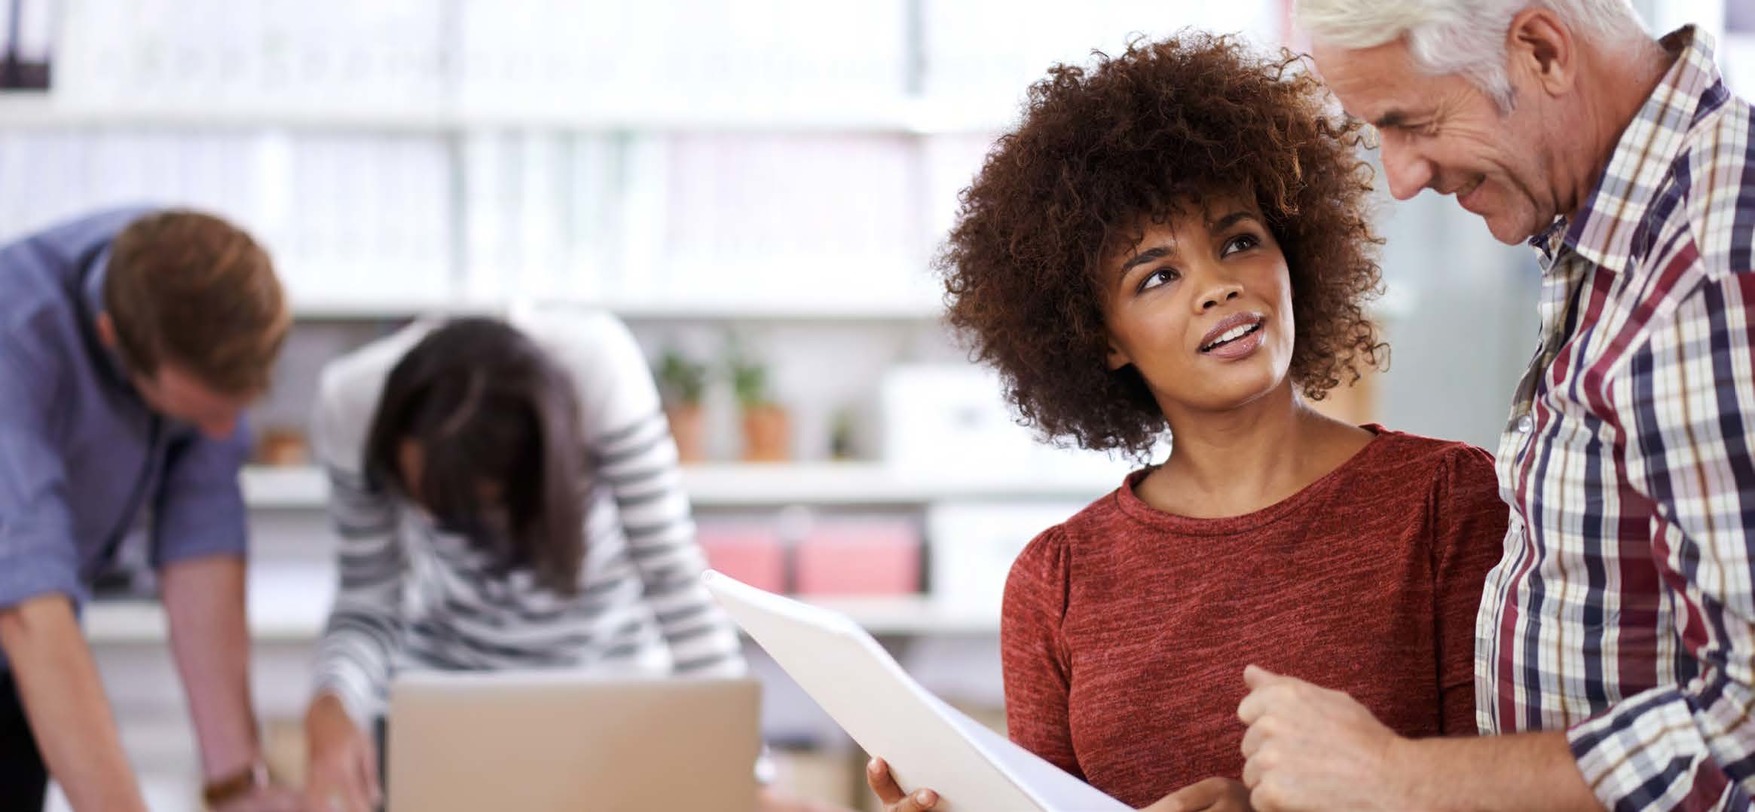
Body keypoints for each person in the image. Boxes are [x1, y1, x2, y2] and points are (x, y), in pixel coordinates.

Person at [865, 34, 1508, 812]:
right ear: (1100, 338)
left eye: (1239, 241)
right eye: (1158, 275)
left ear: (1294, 254)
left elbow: (1493, 791)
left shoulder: (1444, 500)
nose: (1218, 286)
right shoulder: (1054, 581)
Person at [1232, 1, 1755, 810]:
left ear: (1541, 52)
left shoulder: (1708, 271)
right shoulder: (1618, 238)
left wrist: (1393, 779)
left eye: (1411, 122)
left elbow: (1744, 726)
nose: (1401, 178)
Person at [301, 313, 840, 812]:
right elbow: (368, 599)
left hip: (621, 706)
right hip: (451, 715)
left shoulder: (600, 369)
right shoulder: (353, 402)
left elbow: (677, 583)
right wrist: (335, 701)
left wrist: (749, 774)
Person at [0, 208, 295, 811]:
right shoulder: (14, 343)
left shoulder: (199, 295)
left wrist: (237, 787)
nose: (223, 431)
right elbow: (27, 610)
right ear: (112, 336)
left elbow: (202, 547)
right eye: (201, 411)